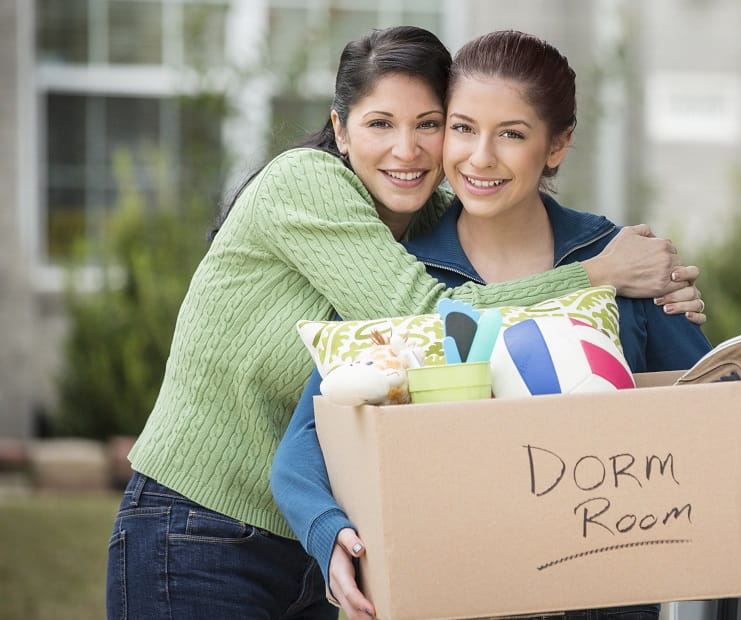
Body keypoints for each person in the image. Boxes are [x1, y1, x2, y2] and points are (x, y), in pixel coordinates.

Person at [106, 26, 705, 620]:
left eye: (430, 123)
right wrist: (599, 278)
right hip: (197, 523)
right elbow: (422, 319)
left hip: (316, 555)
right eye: (380, 123)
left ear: (555, 144)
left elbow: (708, 400)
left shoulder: (435, 220)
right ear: (340, 128)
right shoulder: (305, 183)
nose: (408, 148)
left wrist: (659, 287)